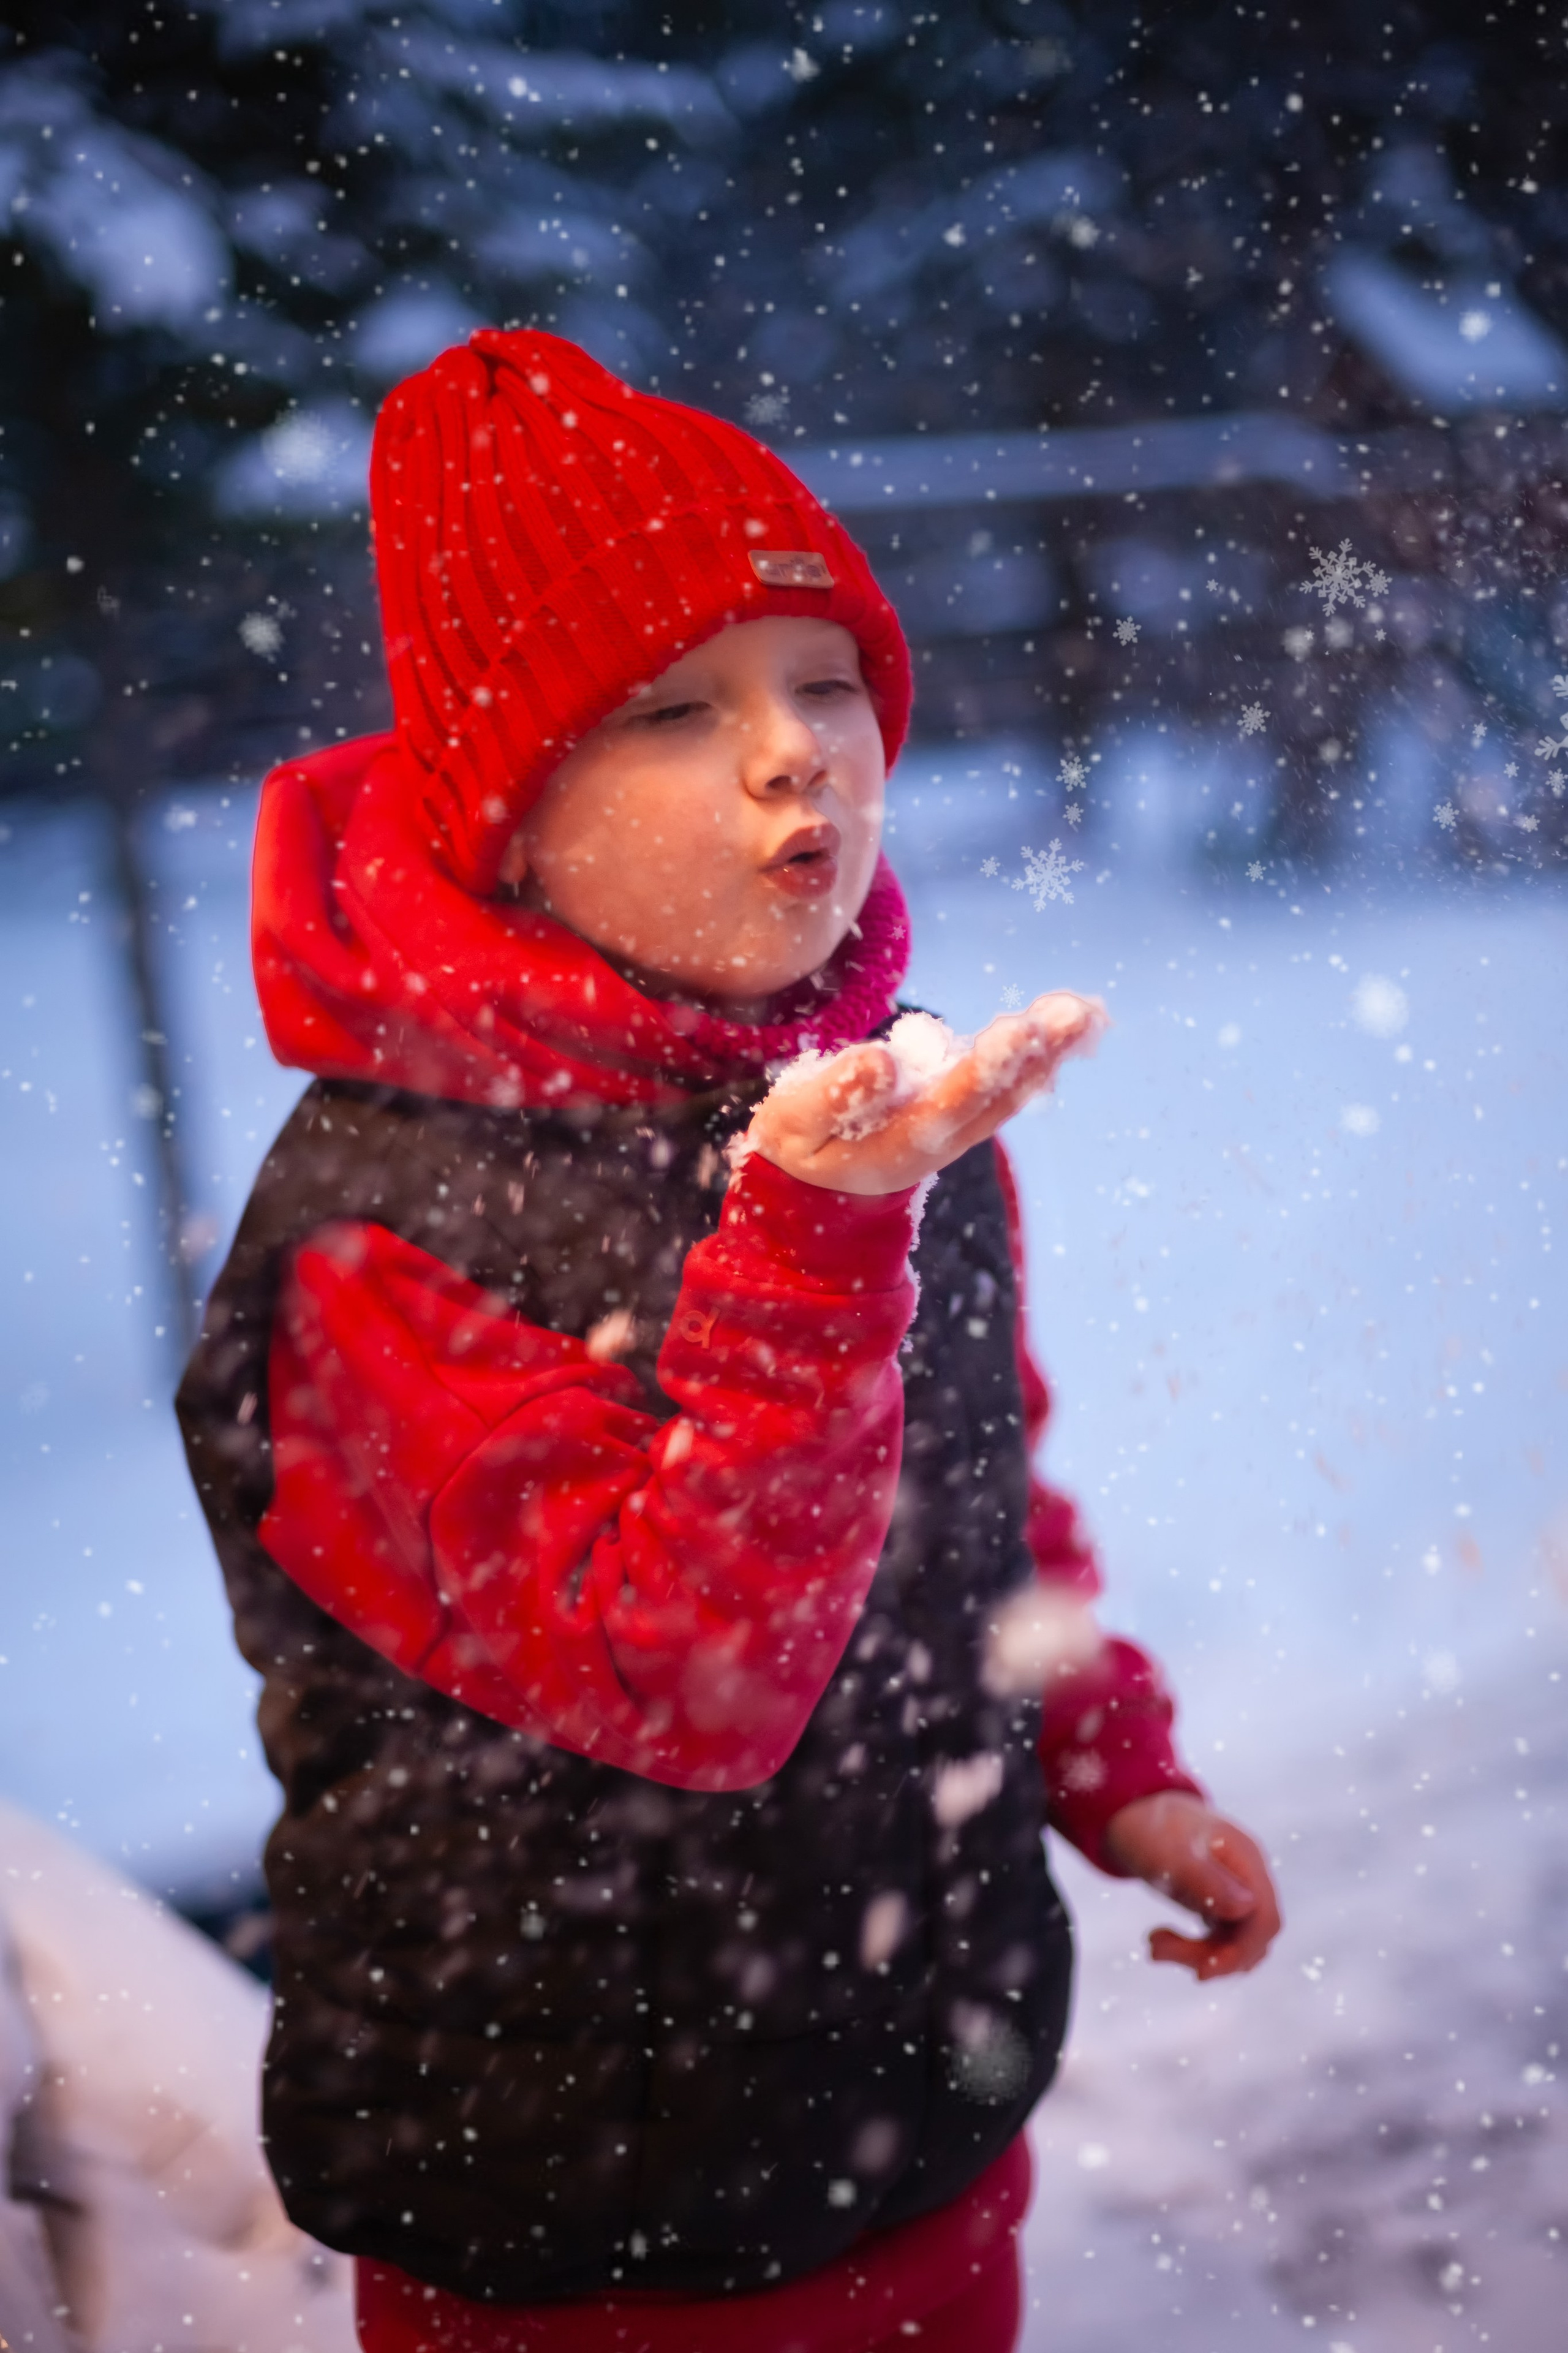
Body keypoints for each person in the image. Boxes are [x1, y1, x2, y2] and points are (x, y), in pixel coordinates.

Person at [178, 329, 1280, 2353]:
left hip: (914, 2120)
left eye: (831, 681)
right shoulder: (383, 1248)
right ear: (509, 819)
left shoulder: (880, 1116)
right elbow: (683, 1676)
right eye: (679, 711)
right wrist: (812, 1246)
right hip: (580, 2230)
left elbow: (976, 1516)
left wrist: (1113, 1766)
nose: (797, 755)